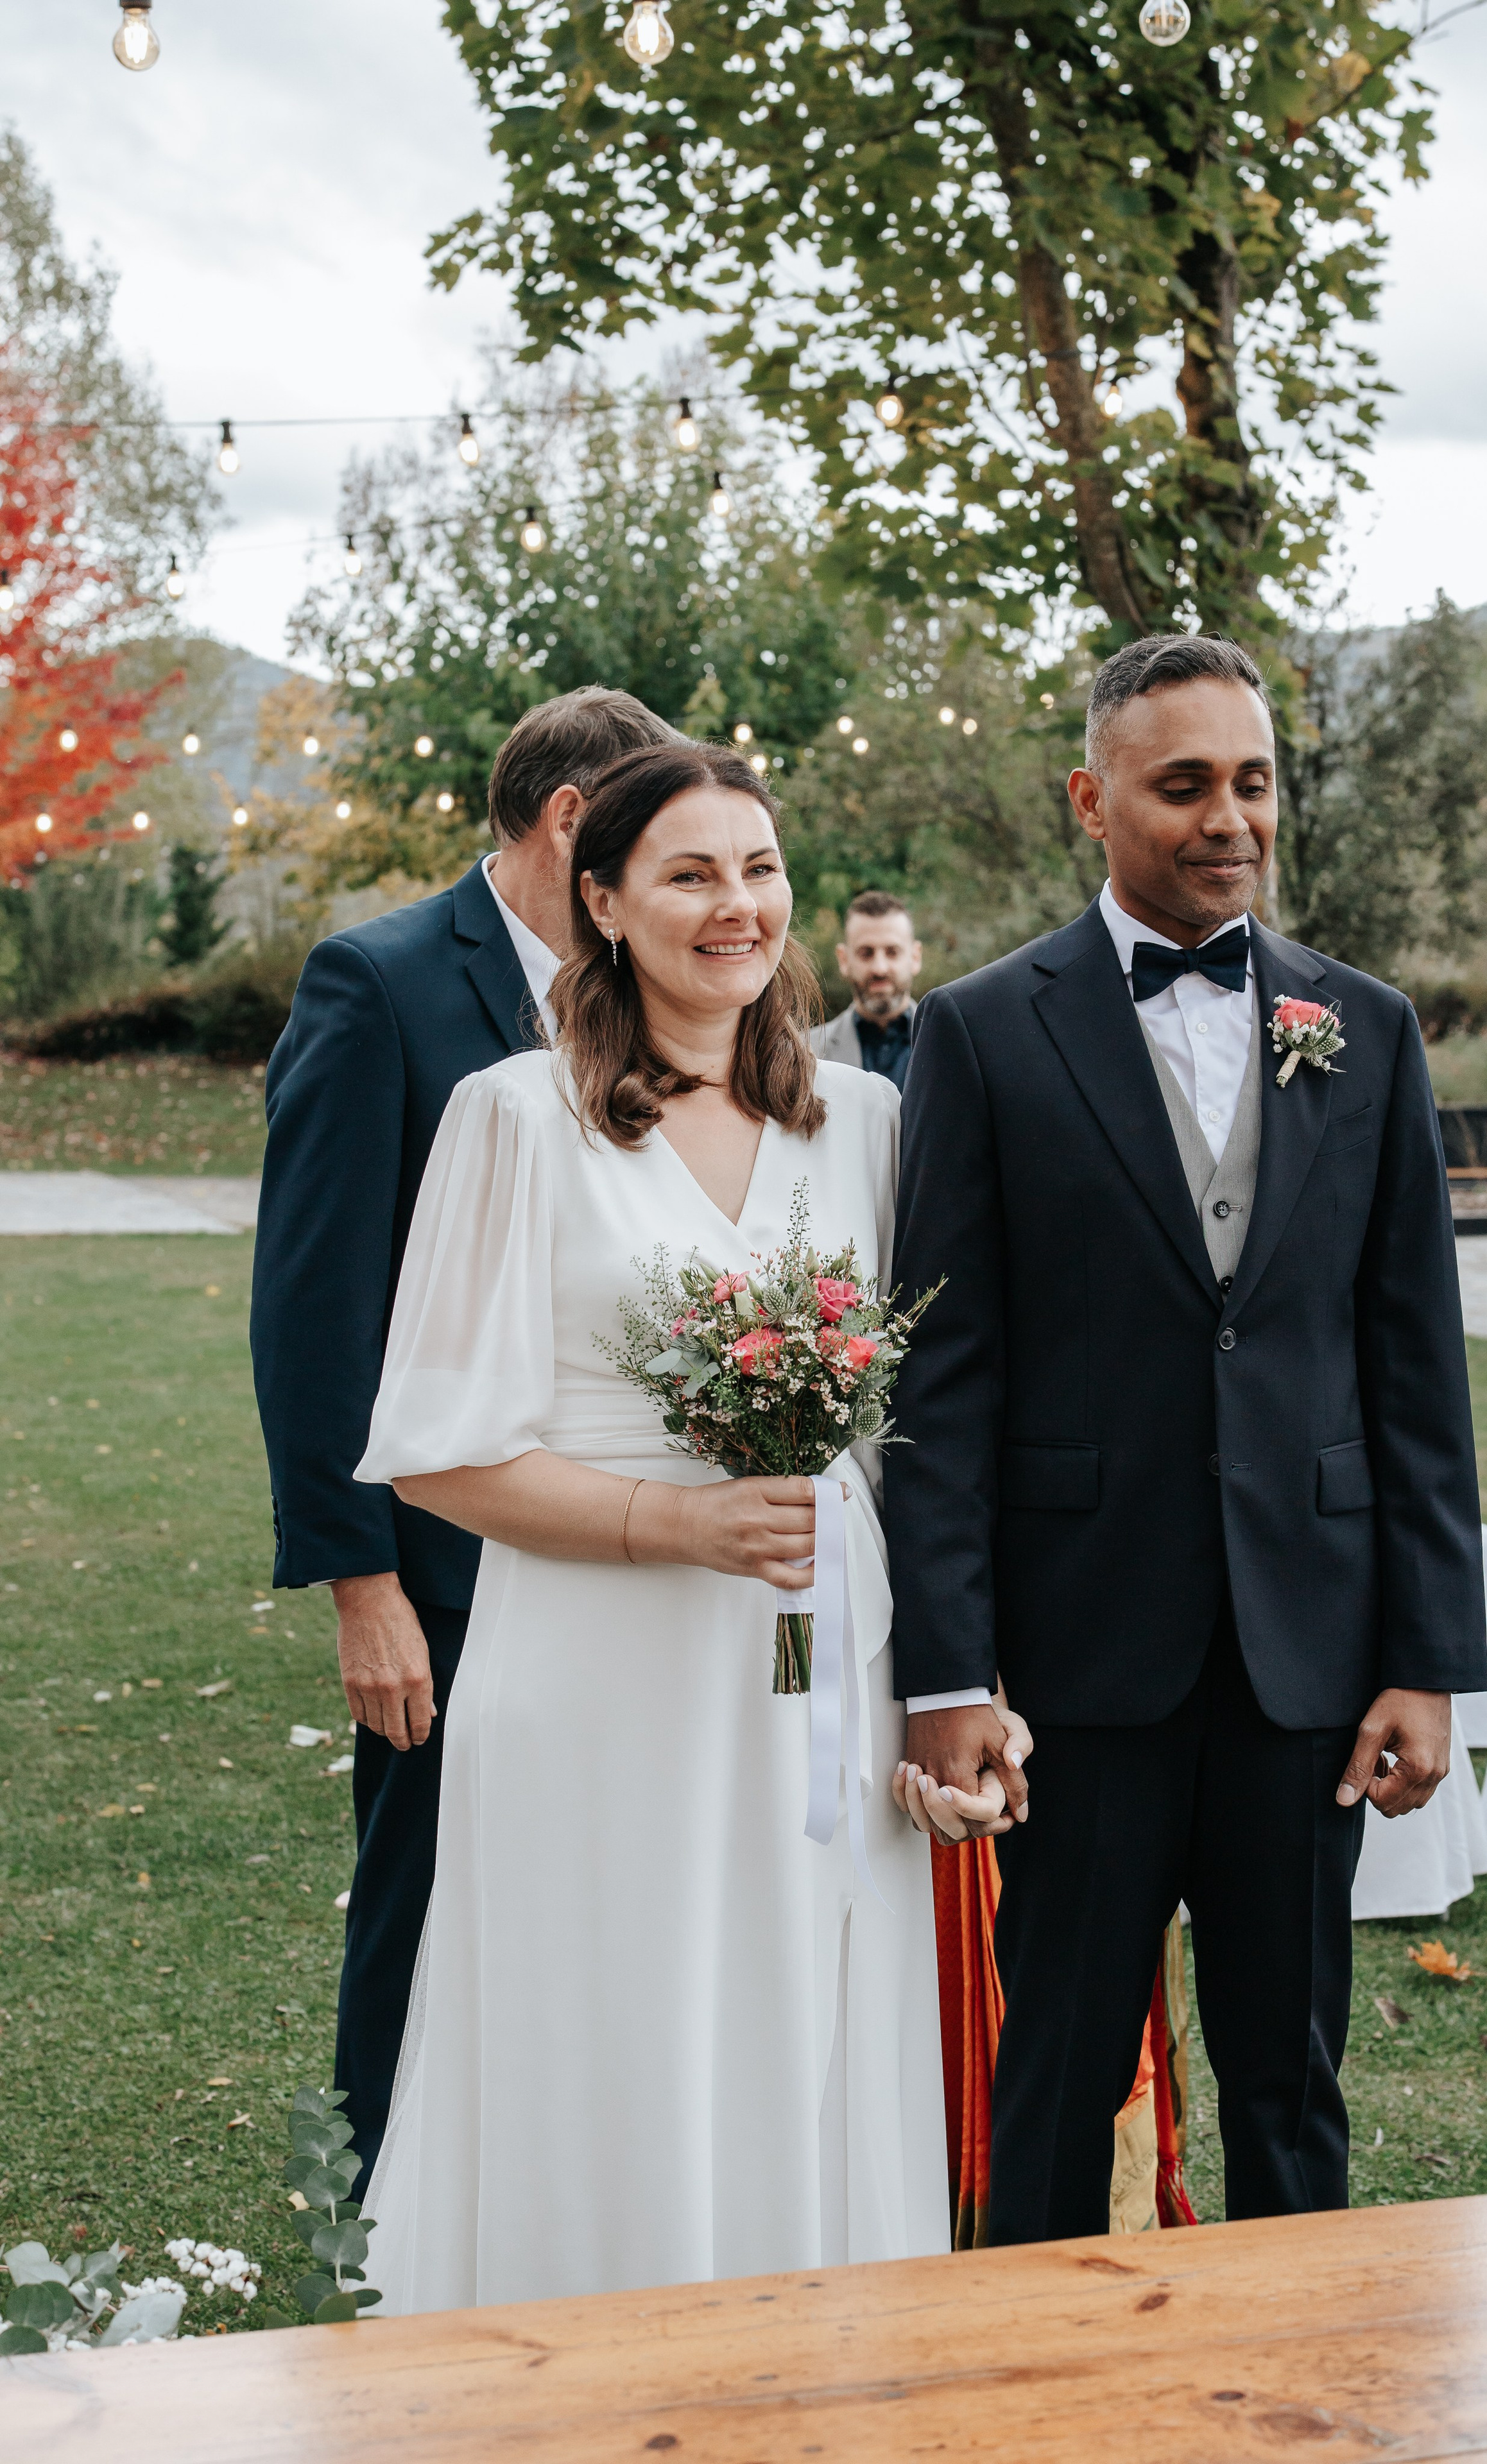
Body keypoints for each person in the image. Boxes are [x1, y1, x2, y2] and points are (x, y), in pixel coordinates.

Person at [885, 632, 1487, 2245]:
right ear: (1089, 797)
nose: (1228, 817)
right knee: (1056, 2066)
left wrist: (1424, 1657)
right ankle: (1030, 2392)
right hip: (1079, 1659)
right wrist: (948, 1674)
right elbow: (937, 1383)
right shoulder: (979, 1030)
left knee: (1289, 2076)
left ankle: (1311, 2389)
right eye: (1181, 785)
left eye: (1252, 780)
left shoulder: (1359, 1026)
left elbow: (1411, 1364)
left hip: (1305, 1658)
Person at [352, 741, 963, 2312]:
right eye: (687, 873)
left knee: (805, 2013)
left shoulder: (868, 1122)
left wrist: (951, 1679)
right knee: (615, 2016)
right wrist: (674, 1526)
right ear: (601, 898)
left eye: (756, 869)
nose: (733, 906)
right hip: (598, 1678)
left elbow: (921, 1439)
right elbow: (435, 1458)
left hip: (825, 1669)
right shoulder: (511, 1118)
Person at [249, 685, 676, 2186]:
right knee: (424, 1886)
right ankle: (379, 2211)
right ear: (575, 822)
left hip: (633, 1544)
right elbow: (314, 1307)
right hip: (447, 1563)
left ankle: (562, 2179)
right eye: (652, 840)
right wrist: (362, 1586)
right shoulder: (375, 984)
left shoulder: (655, 991)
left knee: (591, 1889)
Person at [811, 889, 922, 1091]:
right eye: (866, 953)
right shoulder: (805, 1052)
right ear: (843, 959)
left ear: (915, 957)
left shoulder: (951, 1045)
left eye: (892, 952)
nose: (880, 968)